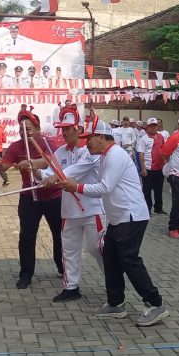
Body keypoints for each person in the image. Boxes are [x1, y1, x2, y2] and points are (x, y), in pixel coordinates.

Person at [51, 119, 169, 327]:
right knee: (111, 258)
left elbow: (104, 187)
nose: (86, 143)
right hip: (118, 217)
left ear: (101, 137)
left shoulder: (115, 155)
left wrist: (77, 187)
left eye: (89, 138)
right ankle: (116, 303)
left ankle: (155, 303)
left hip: (131, 216)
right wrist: (77, 186)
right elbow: (101, 187)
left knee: (128, 259)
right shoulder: (105, 156)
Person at [33, 106, 106, 303]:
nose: (64, 132)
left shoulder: (90, 150)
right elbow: (50, 172)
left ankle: (113, 282)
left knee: (97, 248)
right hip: (69, 210)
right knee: (69, 250)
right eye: (62, 129)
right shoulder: (60, 151)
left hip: (92, 209)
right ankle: (71, 287)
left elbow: (77, 170)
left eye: (68, 128)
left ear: (79, 129)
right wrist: (36, 171)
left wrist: (55, 177)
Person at [1, 110, 64, 289]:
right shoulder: (16, 147)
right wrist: (1, 164)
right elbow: (4, 166)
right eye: (21, 129)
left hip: (53, 196)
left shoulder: (47, 143)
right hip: (29, 198)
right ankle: (26, 274)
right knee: (27, 236)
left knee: (59, 234)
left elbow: (52, 160)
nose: (24, 132)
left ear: (37, 128)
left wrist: (33, 163)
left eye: (28, 129)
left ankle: (63, 267)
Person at [136, 118, 166, 215]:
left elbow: (164, 150)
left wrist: (165, 164)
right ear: (147, 127)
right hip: (148, 168)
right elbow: (141, 153)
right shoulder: (144, 139)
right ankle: (147, 209)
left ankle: (158, 208)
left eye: (154, 126)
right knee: (147, 190)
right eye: (151, 126)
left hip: (159, 168)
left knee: (159, 189)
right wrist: (143, 168)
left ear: (157, 126)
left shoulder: (161, 137)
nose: (153, 128)